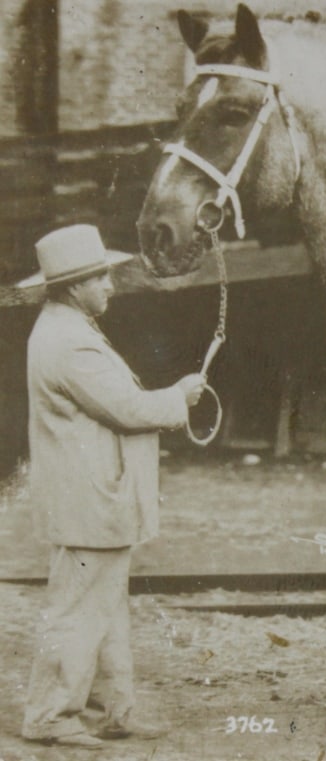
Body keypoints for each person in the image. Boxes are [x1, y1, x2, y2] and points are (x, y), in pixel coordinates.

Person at [16, 224, 205, 749]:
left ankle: (115, 709)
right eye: (101, 277)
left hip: (93, 497)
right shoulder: (70, 342)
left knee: (104, 606)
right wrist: (181, 396)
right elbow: (128, 410)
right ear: (74, 285)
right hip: (89, 500)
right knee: (79, 609)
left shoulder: (67, 327)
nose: (110, 286)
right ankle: (49, 714)